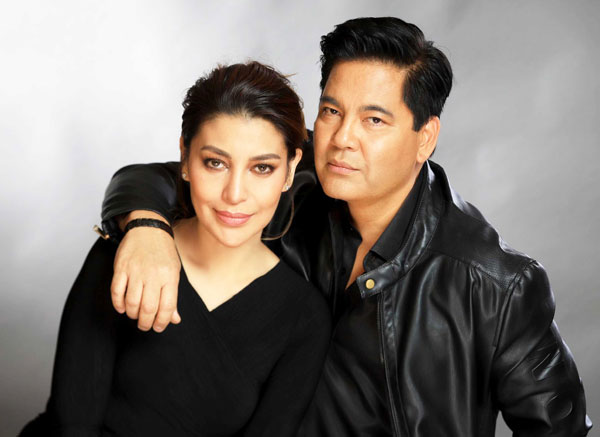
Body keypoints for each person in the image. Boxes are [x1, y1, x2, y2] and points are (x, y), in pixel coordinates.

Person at [94, 17, 591, 436]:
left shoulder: (497, 284)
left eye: (374, 120)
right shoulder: (292, 178)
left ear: (425, 137)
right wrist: (146, 227)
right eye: (332, 111)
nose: (341, 139)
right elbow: (160, 178)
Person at [20, 61, 331, 436]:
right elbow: (73, 423)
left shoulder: (305, 317)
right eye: (215, 163)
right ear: (185, 157)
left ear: (291, 169)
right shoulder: (127, 253)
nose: (235, 194)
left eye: (262, 168)